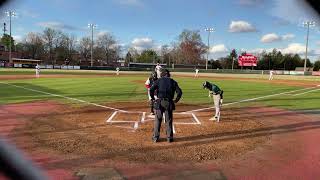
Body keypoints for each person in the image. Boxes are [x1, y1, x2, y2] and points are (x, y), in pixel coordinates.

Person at [150, 69, 182, 143]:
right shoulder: (173, 81)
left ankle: (155, 138)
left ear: (162, 74)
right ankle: (169, 138)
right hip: (169, 102)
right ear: (168, 74)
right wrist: (176, 100)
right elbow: (179, 92)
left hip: (159, 102)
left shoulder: (159, 80)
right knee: (168, 121)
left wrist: (152, 98)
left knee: (158, 120)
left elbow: (151, 89)